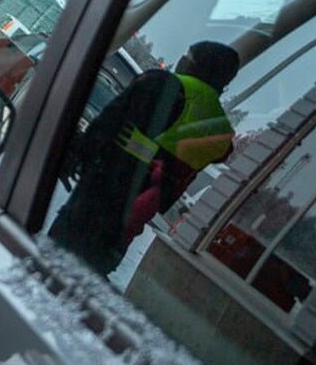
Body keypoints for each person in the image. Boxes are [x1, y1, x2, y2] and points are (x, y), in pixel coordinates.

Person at [48, 40, 240, 275]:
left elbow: (104, 128)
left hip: (90, 209)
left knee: (50, 272)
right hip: (127, 229)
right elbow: (177, 166)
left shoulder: (162, 86)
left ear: (197, 67)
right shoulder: (220, 134)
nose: (180, 61)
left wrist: (70, 156)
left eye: (186, 57)